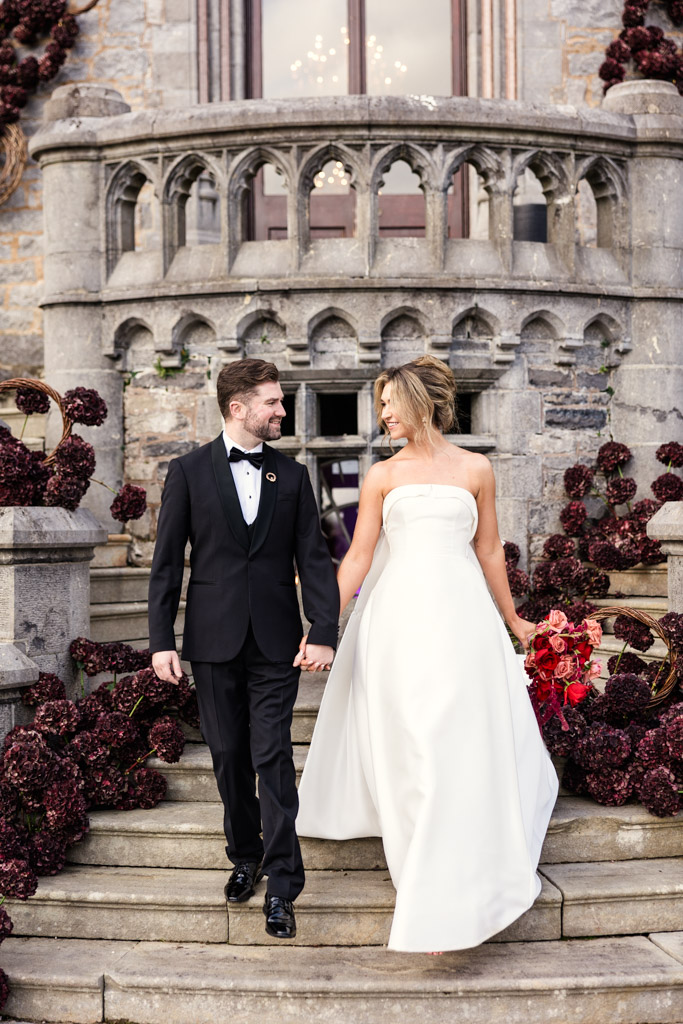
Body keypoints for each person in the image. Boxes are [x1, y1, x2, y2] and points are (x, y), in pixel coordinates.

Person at [296, 355, 558, 953]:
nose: (382, 413)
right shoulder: (382, 476)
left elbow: (490, 550)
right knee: (415, 742)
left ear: (418, 402)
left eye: (389, 403)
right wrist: (322, 628)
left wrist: (514, 619)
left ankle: (451, 888)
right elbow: (358, 559)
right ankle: (425, 884)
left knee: (453, 737)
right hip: (398, 624)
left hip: (464, 622)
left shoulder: (477, 469)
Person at [148, 358, 338, 940]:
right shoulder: (186, 473)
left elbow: (314, 559)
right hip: (212, 641)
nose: (283, 411)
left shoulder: (294, 476)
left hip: (277, 642)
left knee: (272, 757)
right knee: (229, 757)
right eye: (273, 403)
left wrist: (324, 629)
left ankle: (282, 884)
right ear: (238, 408)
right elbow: (164, 568)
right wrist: (161, 642)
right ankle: (245, 855)